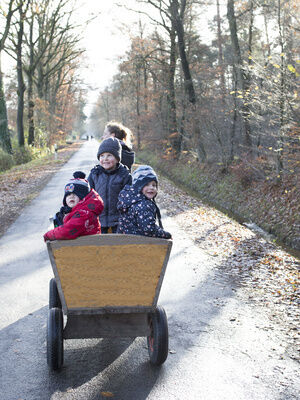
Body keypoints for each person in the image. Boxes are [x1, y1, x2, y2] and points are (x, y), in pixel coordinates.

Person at [88, 137, 132, 233]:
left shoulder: (124, 175)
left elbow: (129, 199)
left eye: (109, 155)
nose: (105, 159)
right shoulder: (95, 174)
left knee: (116, 246)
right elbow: (87, 196)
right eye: (102, 156)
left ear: (117, 159)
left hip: (118, 221)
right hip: (99, 220)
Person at [43, 171, 104, 241]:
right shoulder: (71, 211)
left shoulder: (84, 213)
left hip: (87, 246)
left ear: (83, 198)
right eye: (68, 195)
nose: (71, 196)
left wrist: (48, 235)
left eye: (76, 194)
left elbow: (66, 231)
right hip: (78, 245)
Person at [117, 165, 171, 239]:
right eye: (146, 184)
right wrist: (166, 235)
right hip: (139, 244)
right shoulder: (143, 205)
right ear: (138, 187)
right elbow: (149, 229)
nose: (151, 187)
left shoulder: (129, 200)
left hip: (124, 241)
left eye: (154, 185)